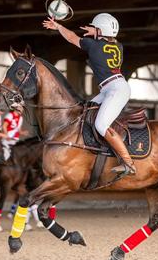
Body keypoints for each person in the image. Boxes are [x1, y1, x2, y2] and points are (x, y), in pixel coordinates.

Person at [42, 13, 135, 175]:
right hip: (112, 87)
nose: (92, 29)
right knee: (84, 112)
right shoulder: (118, 46)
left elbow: (71, 37)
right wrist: (96, 32)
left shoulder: (93, 45)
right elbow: (105, 42)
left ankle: (128, 162)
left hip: (114, 88)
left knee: (100, 125)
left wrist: (58, 26)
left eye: (95, 28)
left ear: (100, 31)